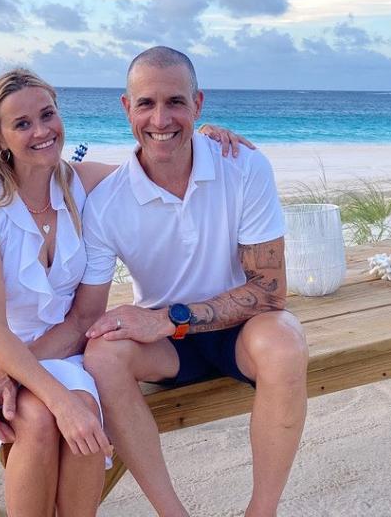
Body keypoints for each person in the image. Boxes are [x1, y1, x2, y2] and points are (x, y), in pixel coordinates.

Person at [0, 68, 250, 517]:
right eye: (22, 124)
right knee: (40, 418)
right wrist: (44, 393)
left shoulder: (82, 183)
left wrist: (200, 134)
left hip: (62, 346)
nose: (42, 131)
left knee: (84, 410)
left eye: (48, 115)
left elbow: (158, 161)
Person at [82, 46, 308, 517]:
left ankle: (260, 512)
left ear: (198, 104)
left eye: (176, 102)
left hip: (240, 330)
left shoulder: (243, 165)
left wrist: (167, 319)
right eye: (145, 103)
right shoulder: (105, 202)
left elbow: (269, 291)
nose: (160, 118)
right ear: (127, 108)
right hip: (167, 350)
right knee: (102, 353)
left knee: (286, 342)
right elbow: (30, 174)